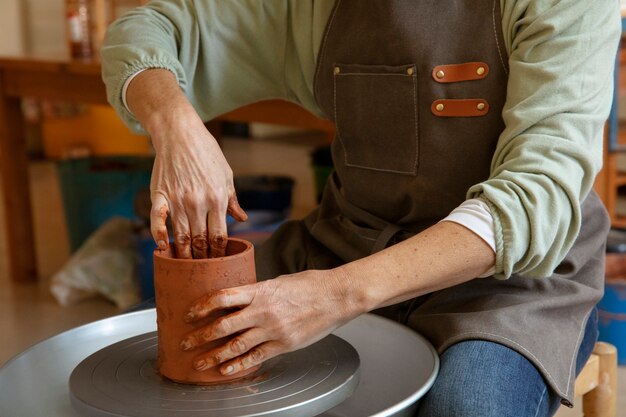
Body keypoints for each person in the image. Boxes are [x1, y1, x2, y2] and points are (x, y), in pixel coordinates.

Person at [101, 1, 621, 415]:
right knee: (144, 350)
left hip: (508, 286)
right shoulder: (316, 10)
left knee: (465, 408)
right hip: (343, 245)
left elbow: (538, 198)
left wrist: (334, 296)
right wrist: (175, 127)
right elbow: (147, 28)